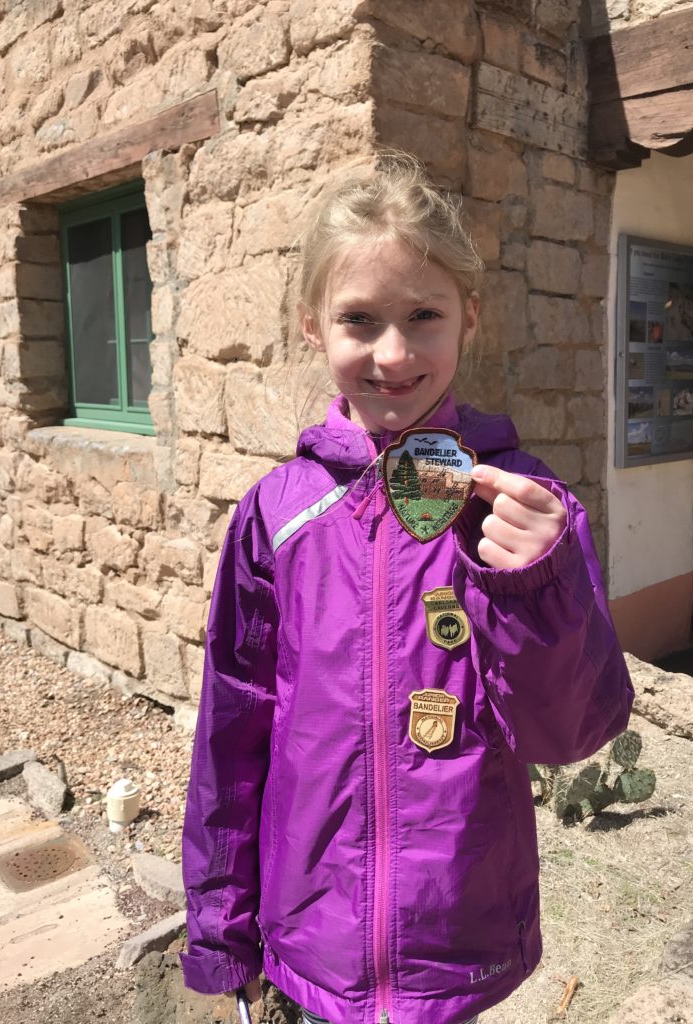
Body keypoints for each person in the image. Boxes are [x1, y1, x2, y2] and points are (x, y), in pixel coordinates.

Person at [180, 153, 633, 1024]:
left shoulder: (526, 507)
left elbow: (568, 731)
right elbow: (229, 739)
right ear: (313, 325)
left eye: (423, 314)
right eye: (359, 319)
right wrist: (222, 930)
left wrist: (536, 583)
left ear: (469, 315)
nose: (392, 353)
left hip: (459, 933)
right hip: (310, 933)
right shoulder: (277, 515)